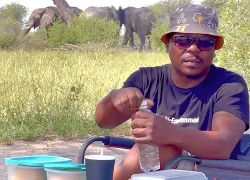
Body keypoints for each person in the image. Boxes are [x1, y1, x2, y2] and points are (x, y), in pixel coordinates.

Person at [95, 4, 250, 180]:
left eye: (205, 43)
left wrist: (169, 133)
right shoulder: (146, 79)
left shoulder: (229, 85)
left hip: (207, 173)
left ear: (214, 50)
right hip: (150, 173)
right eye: (183, 40)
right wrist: (113, 99)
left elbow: (223, 145)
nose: (193, 48)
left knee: (161, 148)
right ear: (167, 44)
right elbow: (104, 122)